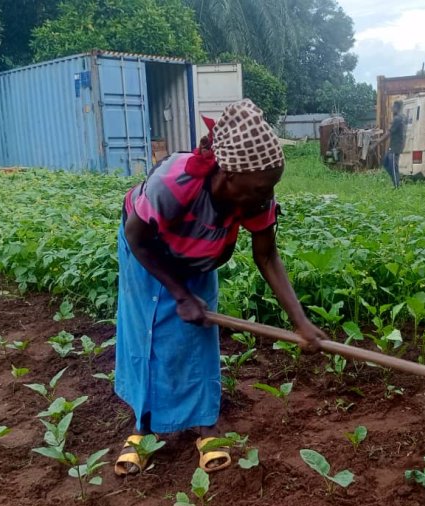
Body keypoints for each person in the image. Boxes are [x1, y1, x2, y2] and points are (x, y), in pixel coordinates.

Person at [114, 99, 326, 476]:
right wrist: (178, 294)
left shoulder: (256, 192)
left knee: (197, 334)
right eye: (259, 189)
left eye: (270, 189)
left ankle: (205, 427)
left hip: (199, 257)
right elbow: (137, 238)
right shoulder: (174, 184)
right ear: (228, 175)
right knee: (147, 333)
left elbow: (268, 257)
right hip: (149, 251)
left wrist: (301, 322)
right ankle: (142, 430)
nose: (264, 198)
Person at [377, 100, 407, 188]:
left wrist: (377, 143)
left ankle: (397, 186)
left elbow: (388, 133)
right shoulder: (399, 117)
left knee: (393, 167)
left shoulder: (398, 119)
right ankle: (396, 182)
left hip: (395, 147)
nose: (391, 109)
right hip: (393, 146)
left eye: (393, 107)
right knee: (386, 163)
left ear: (397, 108)